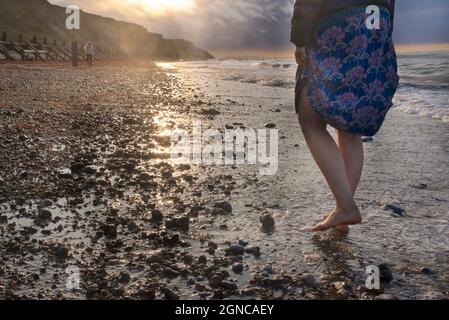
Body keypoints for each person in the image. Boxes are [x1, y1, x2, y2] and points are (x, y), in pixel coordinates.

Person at [291, 0, 399, 232]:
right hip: (376, 24)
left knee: (310, 120)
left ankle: (346, 207)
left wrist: (300, 39)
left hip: (338, 22)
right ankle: (342, 209)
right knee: (350, 128)